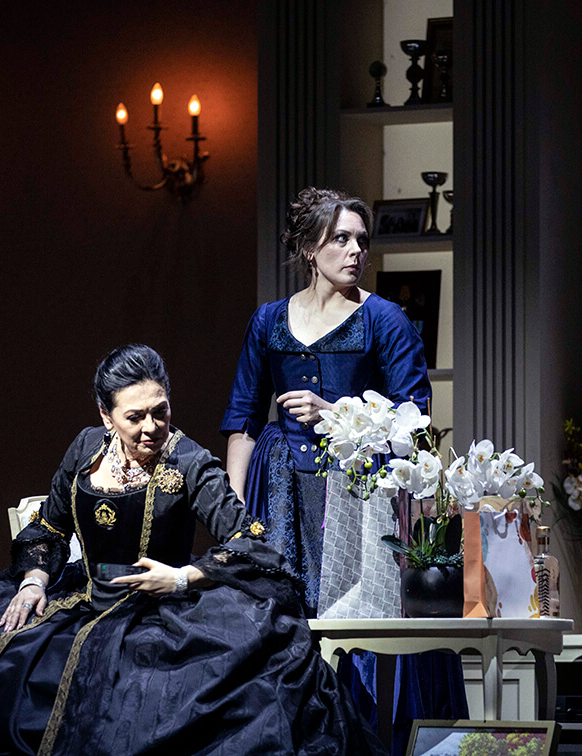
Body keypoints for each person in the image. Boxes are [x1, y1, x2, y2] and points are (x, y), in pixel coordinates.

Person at [0, 344, 385, 756]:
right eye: (135, 417)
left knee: (158, 711)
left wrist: (181, 578)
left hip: (161, 614)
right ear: (106, 416)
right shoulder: (85, 449)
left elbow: (251, 542)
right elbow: (48, 528)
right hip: (82, 599)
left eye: (161, 411)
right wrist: (34, 580)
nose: (151, 427)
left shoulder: (189, 462)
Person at [221, 188, 466, 756]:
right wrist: (233, 514)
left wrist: (334, 413)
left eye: (362, 239)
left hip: (358, 494)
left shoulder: (385, 320)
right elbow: (242, 422)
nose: (357, 250)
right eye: (341, 238)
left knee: (358, 628)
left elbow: (416, 424)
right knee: (284, 626)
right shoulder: (268, 321)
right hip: (281, 494)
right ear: (309, 248)